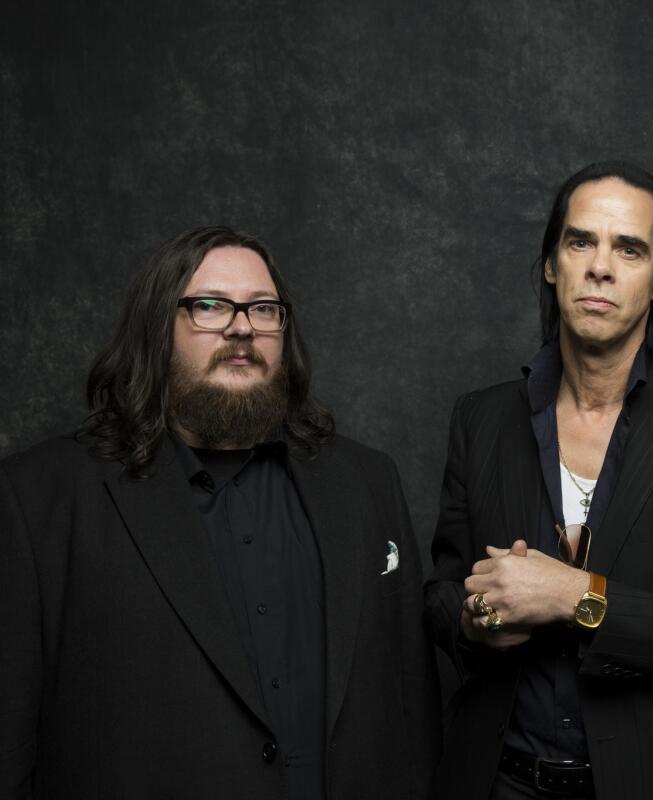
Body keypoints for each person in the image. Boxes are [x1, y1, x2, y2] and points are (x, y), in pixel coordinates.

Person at [0, 226, 438, 799]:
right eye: (209, 306)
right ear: (158, 327)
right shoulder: (38, 499)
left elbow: (412, 711)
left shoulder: (367, 482)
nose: (241, 326)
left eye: (262, 308)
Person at [425, 161, 653, 800]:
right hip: (497, 780)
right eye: (580, 241)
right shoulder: (479, 419)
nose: (600, 266)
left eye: (630, 249)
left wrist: (577, 597)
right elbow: (444, 595)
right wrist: (477, 619)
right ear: (551, 264)